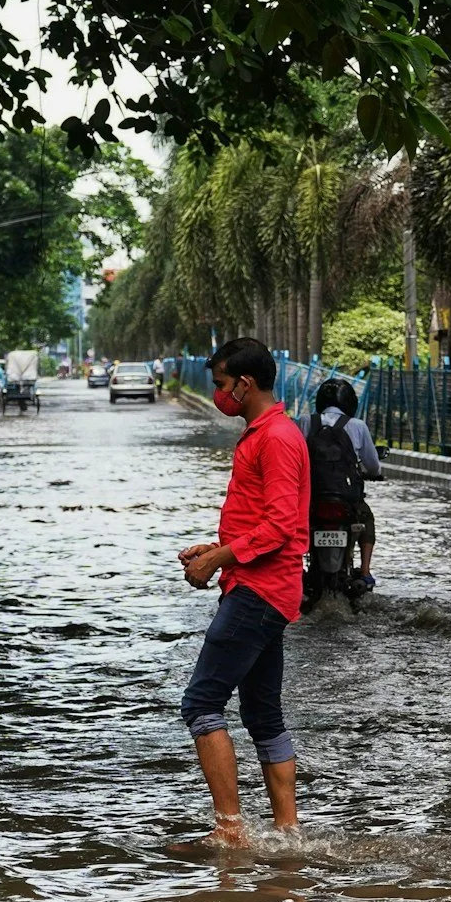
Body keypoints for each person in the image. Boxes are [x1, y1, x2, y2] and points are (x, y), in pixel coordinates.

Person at [174, 336, 312, 848]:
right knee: (262, 714)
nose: (218, 394)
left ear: (245, 384)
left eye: (220, 384)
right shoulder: (266, 433)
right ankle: (287, 835)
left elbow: (279, 528)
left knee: (201, 704)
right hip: (264, 587)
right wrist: (215, 548)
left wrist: (219, 558)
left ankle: (230, 832)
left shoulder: (275, 438)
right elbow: (267, 521)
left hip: (258, 590)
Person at [316, 377, 381, 586]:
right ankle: (364, 571)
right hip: (346, 498)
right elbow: (373, 466)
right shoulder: (358, 426)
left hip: (312, 498)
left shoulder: (305, 422)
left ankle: (292, 568)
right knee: (366, 520)